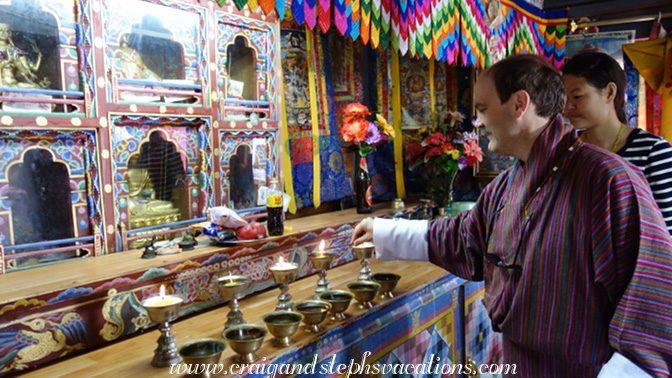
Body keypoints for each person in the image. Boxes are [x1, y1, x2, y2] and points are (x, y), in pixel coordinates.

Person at [351, 54, 672, 377]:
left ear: (519, 104)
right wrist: (382, 232)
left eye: (482, 109)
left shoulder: (608, 180)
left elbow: (652, 300)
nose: (476, 122)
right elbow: (463, 239)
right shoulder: (507, 185)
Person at [563, 51, 672, 235]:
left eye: (577, 97)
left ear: (610, 92)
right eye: (564, 99)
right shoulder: (566, 149)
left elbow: (665, 230)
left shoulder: (652, 151)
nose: (567, 107)